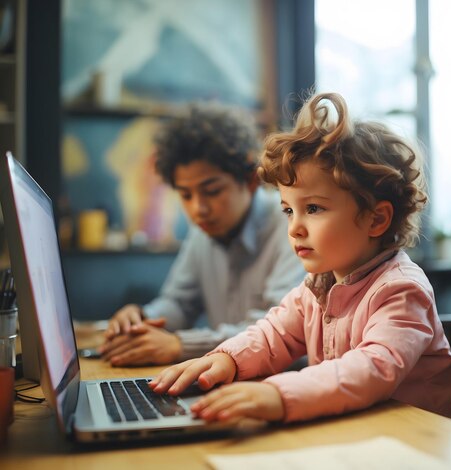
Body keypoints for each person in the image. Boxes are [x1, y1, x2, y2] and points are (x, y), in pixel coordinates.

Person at [149, 92, 451, 424]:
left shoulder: (400, 290)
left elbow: (372, 368)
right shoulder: (316, 287)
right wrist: (228, 359)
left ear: (376, 219)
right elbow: (273, 335)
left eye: (313, 208)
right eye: (288, 210)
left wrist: (279, 394)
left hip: (416, 441)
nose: (295, 228)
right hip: (359, 432)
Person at [100, 103, 306, 367]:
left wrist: (180, 346)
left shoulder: (291, 225)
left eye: (212, 191)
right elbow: (179, 304)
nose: (199, 209)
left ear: (251, 180)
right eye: (186, 195)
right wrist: (141, 318)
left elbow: (281, 329)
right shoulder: (203, 233)